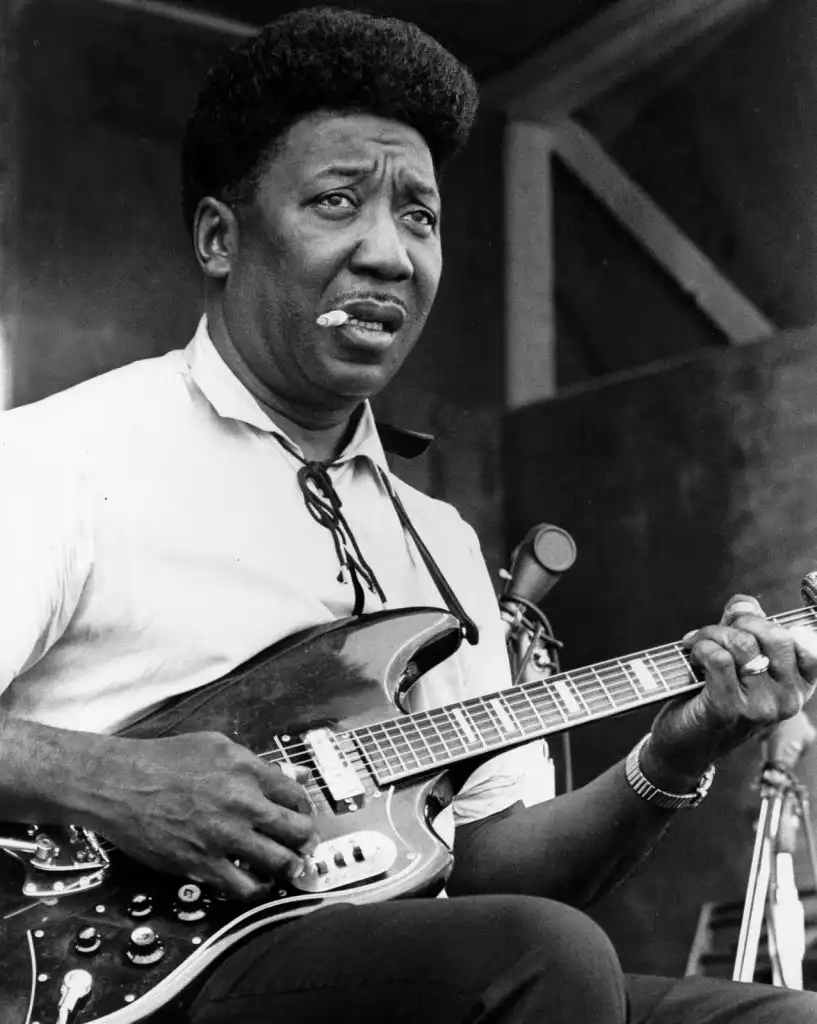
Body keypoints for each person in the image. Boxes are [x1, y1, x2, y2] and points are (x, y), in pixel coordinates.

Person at [0, 7, 815, 1022]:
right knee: (539, 959)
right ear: (219, 238)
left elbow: (495, 871)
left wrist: (676, 751)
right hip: (111, 983)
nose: (389, 254)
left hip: (381, 967)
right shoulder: (65, 454)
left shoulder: (437, 544)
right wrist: (115, 780)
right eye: (337, 202)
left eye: (419, 217)